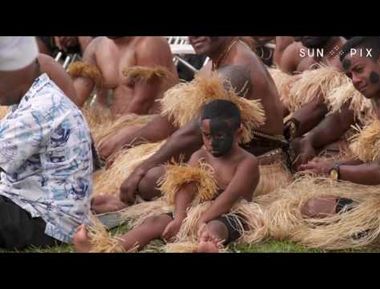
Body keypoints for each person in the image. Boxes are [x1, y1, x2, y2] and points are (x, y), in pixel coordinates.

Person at [97, 37, 284, 205]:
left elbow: (194, 132)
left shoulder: (236, 69)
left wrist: (142, 167)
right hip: (221, 156)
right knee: (130, 148)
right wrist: (127, 141)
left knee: (150, 180)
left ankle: (128, 203)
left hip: (257, 167)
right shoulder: (215, 63)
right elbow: (174, 117)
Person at [74, 100, 260, 252]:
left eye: (219, 137)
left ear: (238, 134)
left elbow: (229, 198)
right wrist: (179, 218)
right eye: (206, 135)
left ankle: (209, 245)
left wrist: (202, 221)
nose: (211, 143)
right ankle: (109, 248)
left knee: (216, 228)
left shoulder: (247, 163)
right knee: (154, 222)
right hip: (195, 211)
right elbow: (185, 187)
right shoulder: (200, 156)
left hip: (231, 212)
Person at [0, 37, 93, 250]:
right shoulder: (40, 97)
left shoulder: (39, 110)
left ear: (18, 70)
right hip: (34, 209)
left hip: (48, 225)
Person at [297, 37, 380, 218]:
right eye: (349, 75)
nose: (355, 80)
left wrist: (334, 171)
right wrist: (333, 165)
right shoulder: (377, 97)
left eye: (359, 70)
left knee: (315, 207)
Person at [69, 36, 178, 115]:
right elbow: (76, 97)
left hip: (150, 128)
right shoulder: (96, 46)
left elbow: (143, 102)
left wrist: (112, 132)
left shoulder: (150, 42)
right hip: (112, 126)